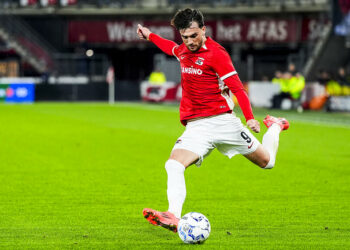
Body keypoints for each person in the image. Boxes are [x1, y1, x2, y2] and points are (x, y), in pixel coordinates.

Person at [137, 8, 289, 233]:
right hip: (197, 126)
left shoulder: (217, 54)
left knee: (268, 162)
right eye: (185, 37)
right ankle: (173, 215)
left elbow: (238, 88)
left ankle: (275, 126)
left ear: (204, 30)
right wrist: (149, 35)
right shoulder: (183, 50)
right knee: (173, 164)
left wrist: (250, 119)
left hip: (224, 123)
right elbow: (170, 47)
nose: (189, 42)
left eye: (194, 36)